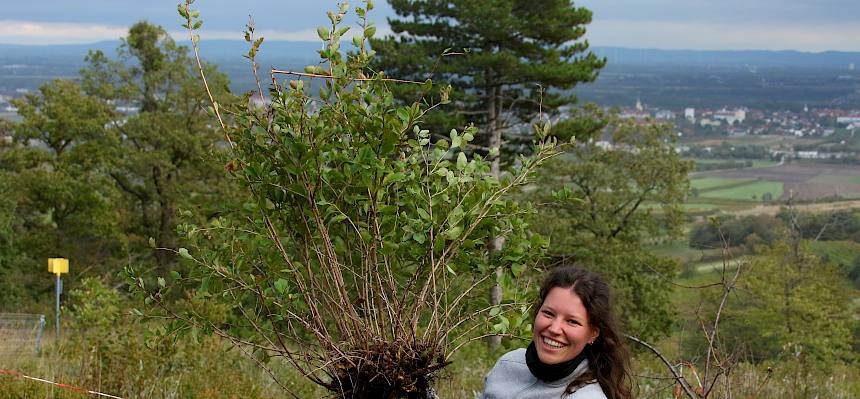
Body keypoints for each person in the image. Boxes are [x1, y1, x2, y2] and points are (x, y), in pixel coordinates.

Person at [482, 266, 633, 399]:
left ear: (593, 333)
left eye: (572, 321)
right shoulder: (509, 364)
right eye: (549, 313)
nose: (554, 329)